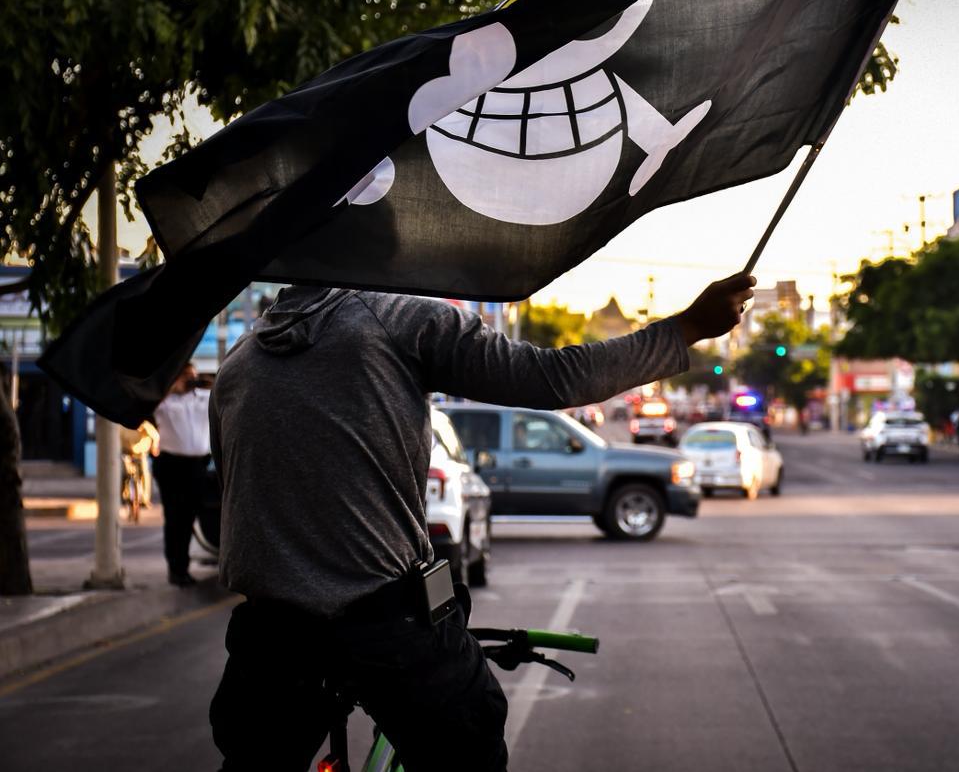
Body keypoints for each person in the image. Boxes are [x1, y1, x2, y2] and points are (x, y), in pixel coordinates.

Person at [207, 273, 754, 771]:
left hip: (269, 635)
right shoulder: (397, 318)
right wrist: (686, 328)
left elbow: (233, 489)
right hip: (385, 621)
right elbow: (553, 378)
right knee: (471, 746)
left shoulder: (238, 360)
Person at [152, 362, 211, 586]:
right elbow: (146, 400)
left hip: (198, 464)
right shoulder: (164, 402)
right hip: (171, 465)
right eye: (184, 375)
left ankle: (183, 565)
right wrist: (171, 386)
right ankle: (176, 569)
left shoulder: (204, 398)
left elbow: (222, 391)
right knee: (174, 517)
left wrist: (203, 381)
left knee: (189, 516)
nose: (189, 379)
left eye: (191, 375)